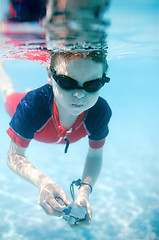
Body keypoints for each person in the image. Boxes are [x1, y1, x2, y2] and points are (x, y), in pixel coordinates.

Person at [0, 50, 112, 227]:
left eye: (92, 85)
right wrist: (42, 182)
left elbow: (95, 156)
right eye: (67, 82)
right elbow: (13, 156)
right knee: (8, 94)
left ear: (102, 79)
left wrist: (84, 190)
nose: (80, 95)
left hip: (45, 109)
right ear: (49, 75)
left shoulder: (99, 112)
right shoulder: (31, 105)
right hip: (35, 108)